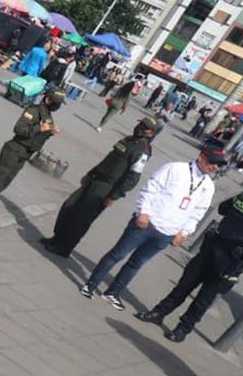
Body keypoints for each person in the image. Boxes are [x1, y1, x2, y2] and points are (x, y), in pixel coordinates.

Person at [79, 141, 228, 311]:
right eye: (212, 162)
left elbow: (198, 212)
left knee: (136, 264)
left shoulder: (208, 186)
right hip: (146, 223)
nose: (214, 167)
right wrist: (143, 212)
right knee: (117, 254)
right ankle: (91, 285)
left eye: (218, 165)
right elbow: (151, 188)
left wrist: (184, 232)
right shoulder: (175, 168)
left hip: (167, 234)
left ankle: (113, 292)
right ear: (201, 157)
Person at [41, 117, 157, 258]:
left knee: (81, 218)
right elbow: (108, 159)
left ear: (150, 133)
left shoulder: (143, 151)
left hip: (106, 188)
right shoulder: (128, 140)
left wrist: (114, 196)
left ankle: (65, 247)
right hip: (96, 178)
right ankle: (58, 238)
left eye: (144, 127)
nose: (139, 128)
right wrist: (91, 173)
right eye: (140, 124)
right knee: (69, 206)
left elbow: (133, 178)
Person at [136, 191, 243, 342]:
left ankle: (183, 329)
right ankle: (159, 312)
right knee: (184, 285)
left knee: (203, 300)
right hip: (213, 247)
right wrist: (236, 198)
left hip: (231, 260)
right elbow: (222, 209)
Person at [0, 88, 64, 221]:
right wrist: (39, 128)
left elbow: (39, 137)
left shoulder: (48, 116)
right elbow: (19, 129)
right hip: (15, 149)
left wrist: (50, 132)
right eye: (56, 103)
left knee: (4, 182)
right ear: (48, 99)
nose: (57, 106)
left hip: (25, 153)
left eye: (59, 104)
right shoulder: (33, 111)